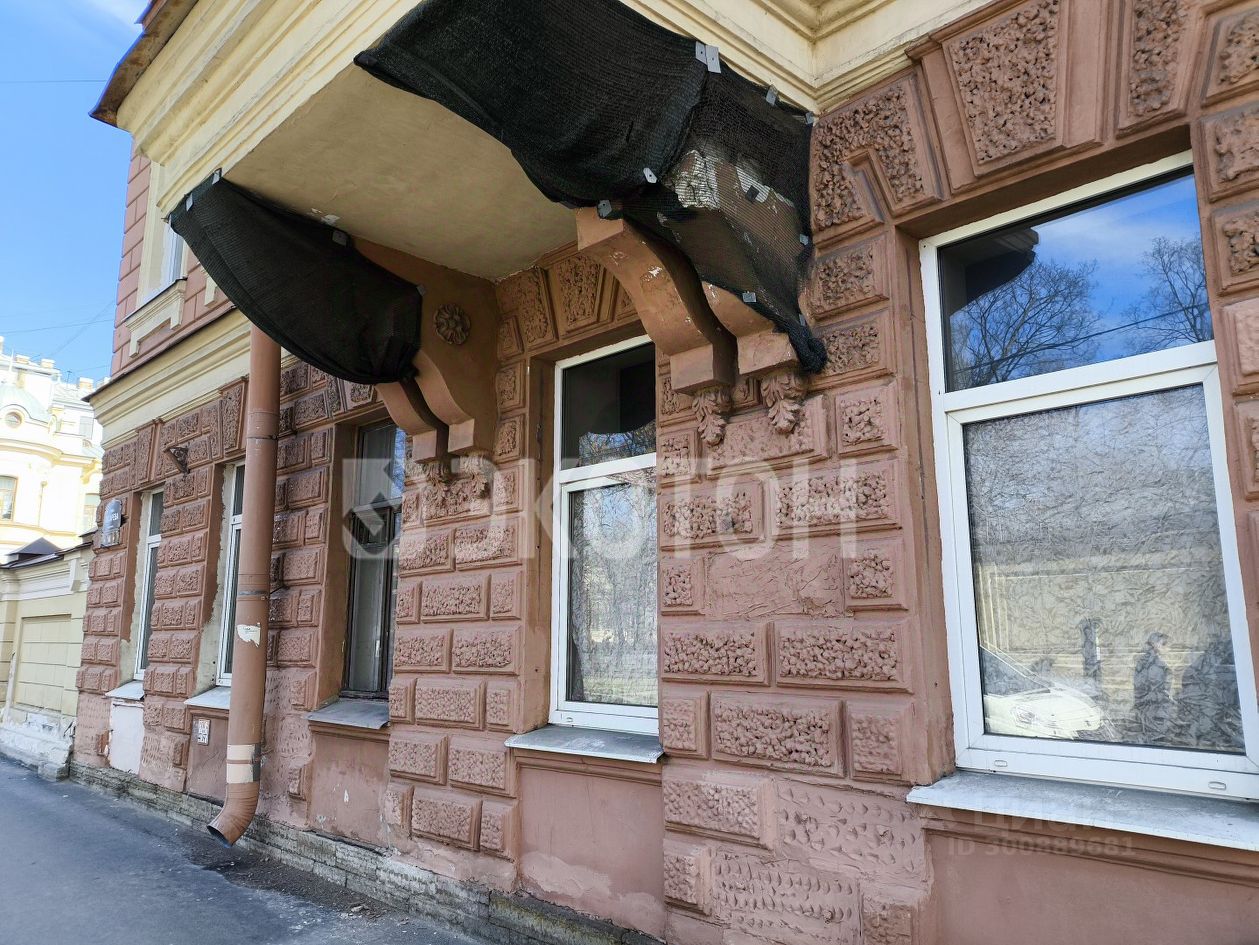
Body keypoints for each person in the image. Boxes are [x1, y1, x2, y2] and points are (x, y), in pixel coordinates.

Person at [1133, 632, 1174, 744]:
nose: (1168, 648)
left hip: (1151, 705)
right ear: (1155, 645)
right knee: (1155, 736)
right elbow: (1156, 688)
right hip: (1153, 707)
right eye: (1164, 644)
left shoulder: (1148, 660)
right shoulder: (1153, 663)